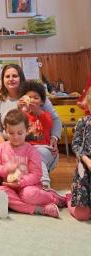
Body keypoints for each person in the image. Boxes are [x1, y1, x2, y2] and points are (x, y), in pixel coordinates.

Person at [0, 109, 66, 218]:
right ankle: (40, 209)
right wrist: (6, 169)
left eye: (19, 133)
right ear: (6, 130)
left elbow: (37, 174)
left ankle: (55, 198)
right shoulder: (0, 148)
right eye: (11, 133)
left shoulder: (31, 150)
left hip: (29, 186)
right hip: (9, 186)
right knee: (0, 192)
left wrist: (21, 182)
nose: (15, 137)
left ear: (27, 130)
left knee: (28, 195)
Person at [0, 64, 62, 156]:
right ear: (3, 80)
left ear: (21, 78)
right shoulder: (0, 100)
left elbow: (55, 119)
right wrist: (5, 148)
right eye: (7, 76)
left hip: (37, 145)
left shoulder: (35, 96)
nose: (11, 79)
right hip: (10, 145)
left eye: (15, 76)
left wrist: (54, 138)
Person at [19, 80, 58, 189]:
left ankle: (44, 183)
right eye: (29, 97)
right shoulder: (23, 116)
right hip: (26, 148)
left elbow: (48, 123)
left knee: (37, 155)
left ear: (42, 102)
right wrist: (20, 109)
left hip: (43, 148)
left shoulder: (45, 115)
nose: (32, 100)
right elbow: (15, 124)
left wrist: (37, 111)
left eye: (36, 98)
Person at [66, 87, 91, 221]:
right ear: (88, 104)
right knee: (82, 215)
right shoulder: (83, 122)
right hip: (85, 169)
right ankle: (70, 198)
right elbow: (76, 145)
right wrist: (86, 160)